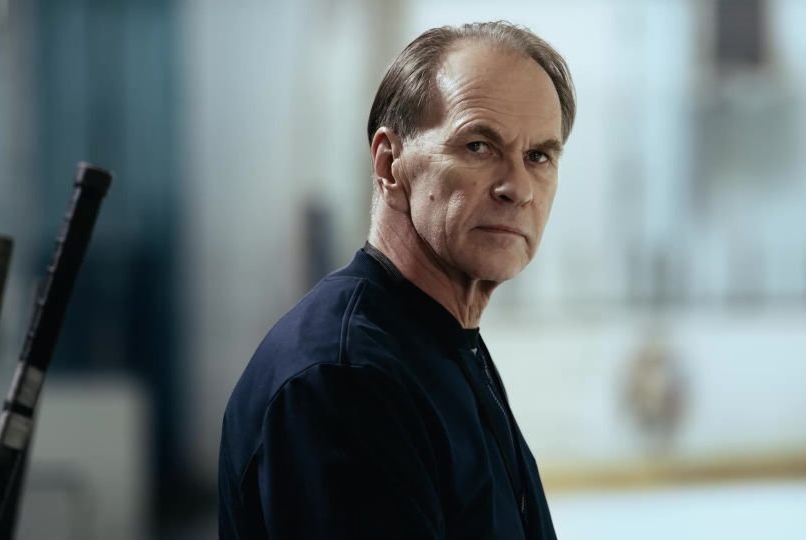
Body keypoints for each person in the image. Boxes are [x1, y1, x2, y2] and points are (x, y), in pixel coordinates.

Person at [219, 21, 575, 539]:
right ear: (390, 164)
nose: (517, 187)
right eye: (479, 146)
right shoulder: (345, 381)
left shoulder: (445, 341)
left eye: (538, 156)